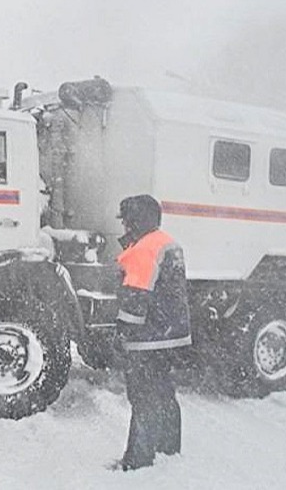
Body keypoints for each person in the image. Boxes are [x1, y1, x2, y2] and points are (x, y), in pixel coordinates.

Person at [112, 194, 192, 471]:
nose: (123, 226)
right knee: (163, 391)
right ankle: (169, 447)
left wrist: (122, 333)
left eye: (126, 221)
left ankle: (137, 460)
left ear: (136, 221)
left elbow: (136, 297)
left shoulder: (144, 250)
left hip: (148, 338)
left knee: (143, 397)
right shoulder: (166, 243)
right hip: (171, 334)